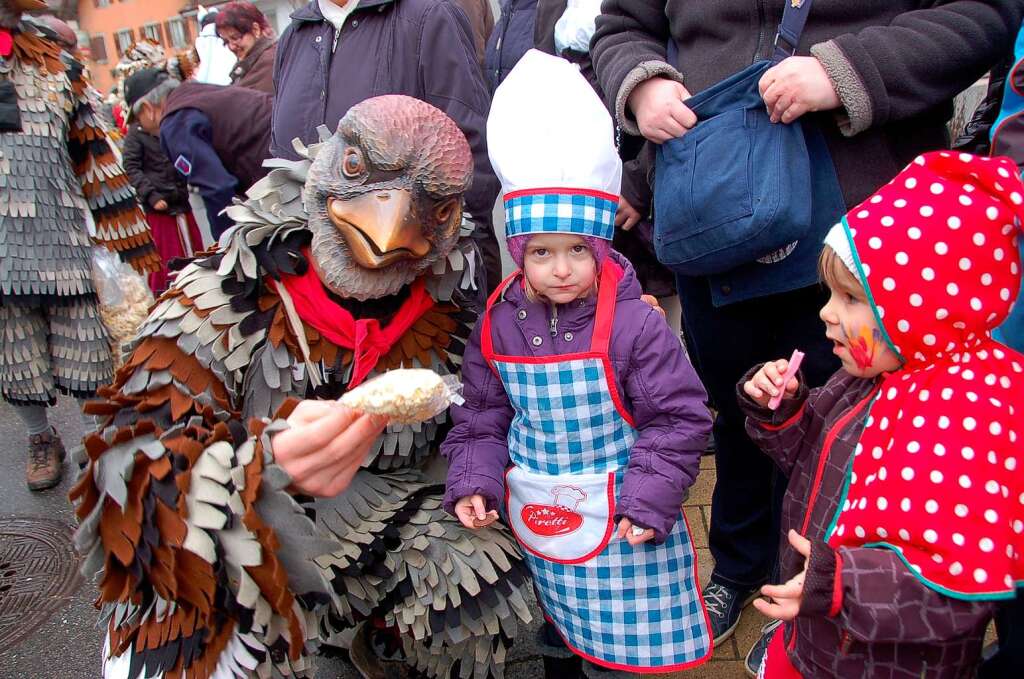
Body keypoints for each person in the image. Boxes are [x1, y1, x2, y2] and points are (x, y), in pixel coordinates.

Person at [590, 1, 1024, 657]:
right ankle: (749, 575)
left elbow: (985, 14)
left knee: (866, 438)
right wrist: (639, 82)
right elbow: (622, 23)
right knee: (755, 416)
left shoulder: (964, 416)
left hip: (867, 245)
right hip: (715, 216)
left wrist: (849, 72)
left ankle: (824, 589)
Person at [72, 95, 532, 679]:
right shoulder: (222, 298)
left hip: (386, 502)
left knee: (477, 575)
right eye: (359, 173)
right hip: (246, 520)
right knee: (191, 643)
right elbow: (123, 470)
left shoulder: (452, 283)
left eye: (432, 211)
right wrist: (251, 467)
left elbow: (500, 378)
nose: (390, 226)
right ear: (330, 160)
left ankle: (380, 646)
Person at [443, 51, 713, 678]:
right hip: (540, 521)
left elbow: (678, 420)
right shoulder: (498, 323)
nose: (559, 269)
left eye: (576, 251)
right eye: (540, 252)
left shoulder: (636, 326)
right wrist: (475, 483)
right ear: (519, 250)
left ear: (599, 246)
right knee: (555, 639)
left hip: (624, 522)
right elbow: (481, 416)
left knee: (616, 660)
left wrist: (648, 501)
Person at [738, 151, 1024, 677]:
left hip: (880, 662)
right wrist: (783, 410)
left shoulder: (966, 423)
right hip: (815, 631)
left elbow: (954, 593)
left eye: (851, 298)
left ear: (922, 305)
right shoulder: (868, 378)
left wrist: (844, 582)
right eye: (832, 294)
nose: (826, 313)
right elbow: (815, 463)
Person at [0, 0, 159, 492]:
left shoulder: (58, 70)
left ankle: (100, 437)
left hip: (64, 243)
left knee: (90, 357)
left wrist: (128, 246)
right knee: (16, 357)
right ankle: (39, 436)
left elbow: (95, 161)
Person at [272, 0, 503, 291]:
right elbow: (279, 159)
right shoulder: (294, 37)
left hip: (419, 292)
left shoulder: (428, 17)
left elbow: (472, 159)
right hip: (313, 294)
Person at [123, 67, 273, 241]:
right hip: (288, 150)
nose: (139, 125)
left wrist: (227, 243)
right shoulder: (195, 93)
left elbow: (216, 187)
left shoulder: (174, 123)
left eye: (136, 118)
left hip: (277, 173)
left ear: (148, 109)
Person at [122, 118, 205, 292]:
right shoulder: (135, 134)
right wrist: (151, 196)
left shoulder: (169, 126)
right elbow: (132, 168)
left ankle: (198, 291)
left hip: (181, 203)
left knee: (195, 254)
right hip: (160, 210)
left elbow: (181, 159)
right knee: (166, 262)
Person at [214, 1, 277, 93]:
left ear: (256, 30)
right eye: (226, 41)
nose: (231, 46)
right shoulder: (253, 60)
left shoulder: (271, 62)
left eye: (235, 37)